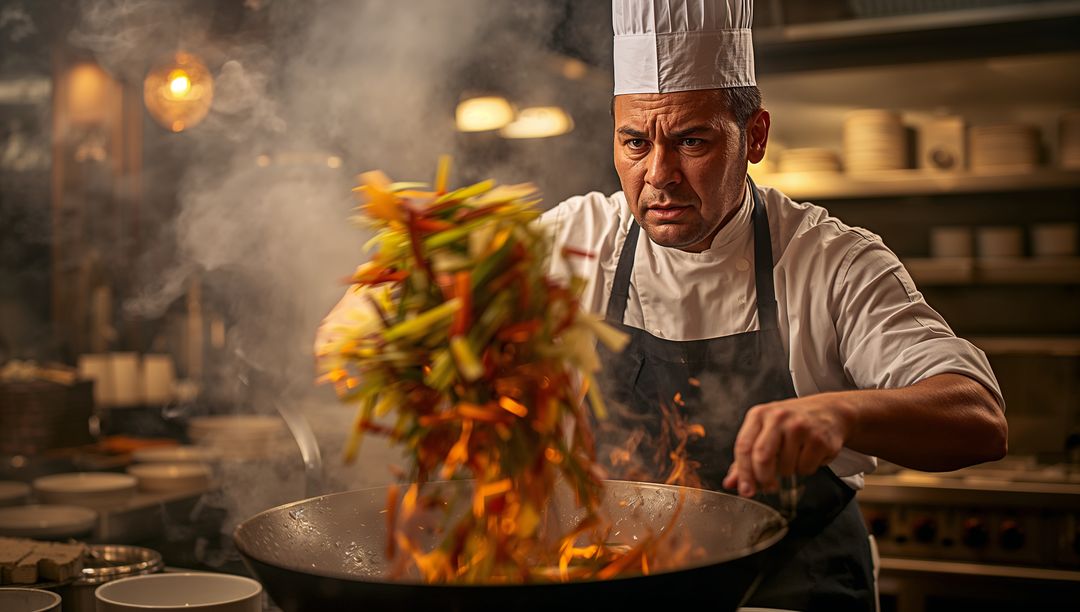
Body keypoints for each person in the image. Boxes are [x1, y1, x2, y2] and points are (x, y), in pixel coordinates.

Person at [318, 1, 1007, 609]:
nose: (658, 176)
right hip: (624, 579)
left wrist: (837, 412)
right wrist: (367, 311)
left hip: (794, 586)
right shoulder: (575, 238)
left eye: (693, 141)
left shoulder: (831, 261)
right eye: (634, 143)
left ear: (755, 136)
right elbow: (411, 279)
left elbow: (978, 414)